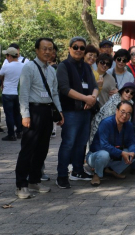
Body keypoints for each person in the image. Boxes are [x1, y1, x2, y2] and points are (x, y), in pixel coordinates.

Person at [15, 38, 64, 199]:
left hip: (47, 111)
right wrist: (25, 114)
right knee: (28, 149)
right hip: (33, 111)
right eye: (44, 48)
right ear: (37, 50)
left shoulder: (51, 70)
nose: (48, 52)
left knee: (42, 149)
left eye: (50, 48)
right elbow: (23, 93)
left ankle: (34, 180)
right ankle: (21, 184)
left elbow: (55, 93)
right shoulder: (29, 67)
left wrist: (60, 112)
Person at [56, 36, 99, 188]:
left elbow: (94, 85)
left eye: (82, 48)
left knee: (81, 143)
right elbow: (64, 89)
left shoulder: (87, 67)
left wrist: (92, 98)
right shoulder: (64, 66)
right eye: (76, 47)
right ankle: (61, 175)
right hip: (70, 111)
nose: (79, 50)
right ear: (70, 48)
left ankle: (78, 170)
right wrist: (85, 98)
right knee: (68, 143)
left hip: (86, 111)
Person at [87, 101, 135, 186]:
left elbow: (131, 142)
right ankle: (97, 174)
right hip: (96, 156)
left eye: (128, 114)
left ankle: (112, 170)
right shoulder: (106, 123)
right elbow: (104, 146)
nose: (125, 116)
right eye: (123, 112)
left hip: (114, 155)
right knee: (104, 154)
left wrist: (132, 152)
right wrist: (121, 153)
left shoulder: (128, 125)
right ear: (116, 110)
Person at [0, 46, 25, 141]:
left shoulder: (6, 66)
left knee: (9, 114)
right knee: (18, 113)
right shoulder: (23, 66)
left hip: (7, 93)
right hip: (18, 93)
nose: (6, 57)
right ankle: (19, 131)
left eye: (6, 55)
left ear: (9, 56)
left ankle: (11, 134)